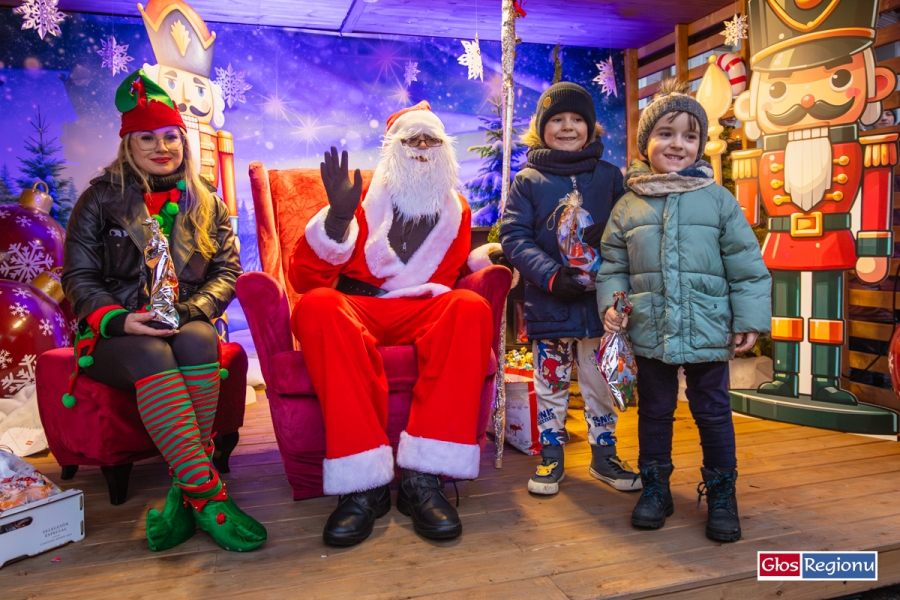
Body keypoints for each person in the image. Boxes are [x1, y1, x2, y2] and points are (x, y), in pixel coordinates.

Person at [61, 69, 266, 552]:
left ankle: (183, 494)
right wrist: (119, 318)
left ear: (184, 141)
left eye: (171, 136)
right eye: (147, 137)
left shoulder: (206, 200)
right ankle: (210, 496)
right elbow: (78, 278)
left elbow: (227, 271)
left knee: (198, 340)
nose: (162, 147)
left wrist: (192, 310)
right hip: (118, 334)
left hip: (185, 318)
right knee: (153, 353)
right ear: (128, 145)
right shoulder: (99, 200)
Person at [289, 101, 495, 546]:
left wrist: (488, 258)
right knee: (316, 306)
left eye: (431, 140)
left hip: (420, 307)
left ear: (444, 150)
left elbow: (452, 276)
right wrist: (339, 218)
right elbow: (304, 279)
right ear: (392, 148)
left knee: (471, 308)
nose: (422, 148)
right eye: (411, 139)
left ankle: (423, 477)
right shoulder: (359, 198)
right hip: (357, 307)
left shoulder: (457, 210)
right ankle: (364, 485)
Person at [598, 79, 771, 542]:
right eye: (666, 133)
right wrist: (613, 308)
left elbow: (747, 265)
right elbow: (612, 266)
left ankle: (720, 493)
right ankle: (656, 488)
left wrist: (749, 318)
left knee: (712, 410)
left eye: (689, 135)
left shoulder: (717, 200)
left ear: (699, 144)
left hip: (707, 327)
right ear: (646, 141)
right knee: (654, 411)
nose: (677, 144)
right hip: (650, 329)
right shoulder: (628, 205)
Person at [500, 82, 639, 496]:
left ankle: (604, 455)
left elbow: (629, 229)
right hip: (551, 302)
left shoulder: (610, 176)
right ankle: (551, 456)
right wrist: (550, 275)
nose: (567, 127)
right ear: (541, 128)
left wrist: (610, 241)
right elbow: (514, 236)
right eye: (556, 119)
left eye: (577, 119)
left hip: (601, 308)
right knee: (551, 380)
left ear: (591, 127)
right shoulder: (528, 180)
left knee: (599, 383)